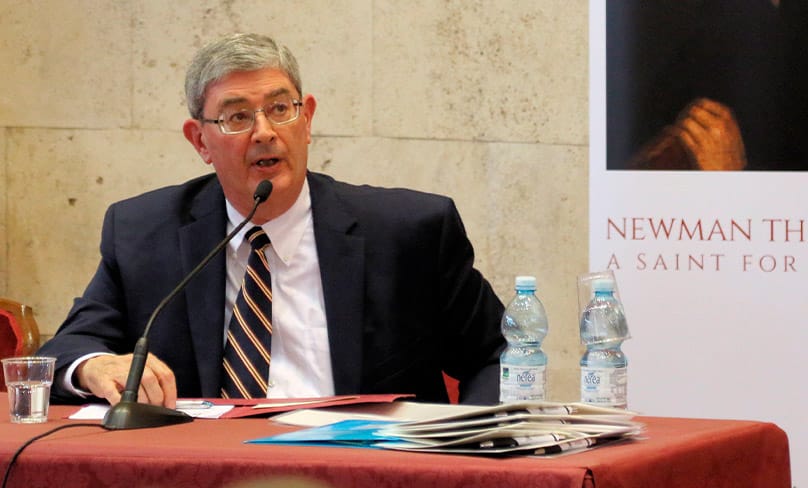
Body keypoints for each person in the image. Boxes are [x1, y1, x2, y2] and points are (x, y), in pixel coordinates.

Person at [37, 33, 505, 407]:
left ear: (307, 119)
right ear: (200, 141)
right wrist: (96, 366)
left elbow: (501, 353)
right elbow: (67, 348)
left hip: (365, 469)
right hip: (203, 470)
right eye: (237, 117)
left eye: (280, 109)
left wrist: (469, 447)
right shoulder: (143, 231)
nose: (265, 133)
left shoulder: (409, 231)